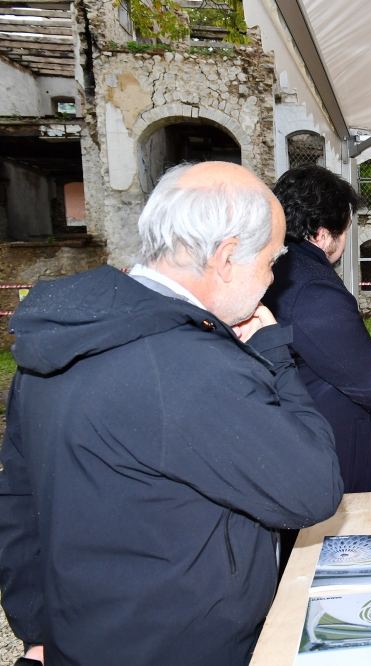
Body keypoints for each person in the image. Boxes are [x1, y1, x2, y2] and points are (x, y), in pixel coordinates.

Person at [0, 162, 345, 666]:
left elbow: (18, 499)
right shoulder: (188, 365)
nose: (274, 278)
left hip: (88, 636)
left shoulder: (66, 336)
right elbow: (314, 488)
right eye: (273, 261)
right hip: (185, 645)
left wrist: (37, 630)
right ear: (226, 257)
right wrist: (274, 352)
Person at [263, 165, 371, 495]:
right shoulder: (313, 289)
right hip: (335, 455)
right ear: (323, 235)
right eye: (344, 231)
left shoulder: (274, 268)